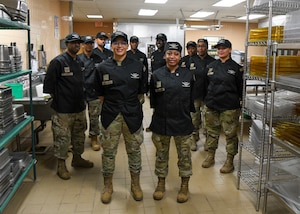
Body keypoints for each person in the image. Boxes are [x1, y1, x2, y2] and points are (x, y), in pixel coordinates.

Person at [95, 31, 148, 203]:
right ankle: (108, 186)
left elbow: (141, 91)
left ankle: (135, 185)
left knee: (134, 150)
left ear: (127, 45)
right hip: (111, 114)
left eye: (122, 43)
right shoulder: (102, 67)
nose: (119, 46)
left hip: (132, 114)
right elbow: (100, 94)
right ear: (111, 45)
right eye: (115, 42)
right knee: (109, 152)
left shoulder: (138, 66)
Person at [43, 33, 94, 180]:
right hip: (63, 110)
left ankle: (77, 159)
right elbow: (49, 87)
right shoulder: (58, 62)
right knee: (62, 138)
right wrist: (61, 99)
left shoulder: (79, 61)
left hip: (79, 107)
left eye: (78, 43)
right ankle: (61, 165)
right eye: (73, 43)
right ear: (67, 44)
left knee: (79, 136)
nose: (76, 45)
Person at [149, 42, 195, 203]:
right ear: (164, 55)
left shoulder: (188, 75)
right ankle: (161, 183)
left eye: (175, 54)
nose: (172, 57)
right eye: (169, 53)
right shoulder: (156, 74)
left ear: (180, 56)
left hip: (183, 122)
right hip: (161, 121)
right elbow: (153, 100)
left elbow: (191, 99)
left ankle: (184, 185)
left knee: (184, 157)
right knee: (161, 156)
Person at [200, 39, 243, 173]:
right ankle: (210, 156)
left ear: (229, 50)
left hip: (229, 107)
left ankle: (229, 160)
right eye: (218, 48)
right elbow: (206, 85)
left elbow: (240, 89)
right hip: (212, 105)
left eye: (223, 48)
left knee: (230, 134)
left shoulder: (236, 68)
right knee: (211, 133)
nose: (220, 51)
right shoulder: (211, 66)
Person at [77, 35, 103, 151]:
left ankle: (94, 138)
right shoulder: (77, 59)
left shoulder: (98, 59)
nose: (89, 45)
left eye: (91, 43)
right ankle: (79, 139)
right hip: (80, 93)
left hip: (94, 92)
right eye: (87, 43)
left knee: (94, 117)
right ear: (83, 45)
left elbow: (102, 75)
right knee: (80, 119)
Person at [190, 38, 216, 151]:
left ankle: (207, 142)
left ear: (207, 47)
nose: (201, 48)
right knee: (194, 119)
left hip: (208, 96)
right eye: (199, 46)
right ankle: (194, 139)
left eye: (203, 46)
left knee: (208, 121)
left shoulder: (212, 61)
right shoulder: (191, 60)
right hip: (194, 95)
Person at [146, 33, 167, 132]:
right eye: (157, 40)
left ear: (165, 41)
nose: (158, 42)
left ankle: (166, 125)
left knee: (166, 105)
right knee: (155, 105)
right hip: (155, 83)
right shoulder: (154, 54)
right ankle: (154, 124)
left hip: (166, 83)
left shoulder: (167, 53)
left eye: (161, 40)